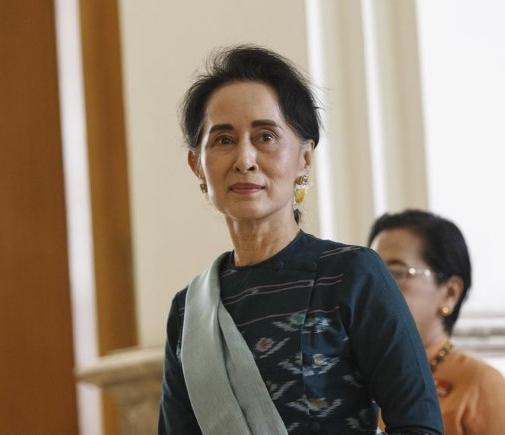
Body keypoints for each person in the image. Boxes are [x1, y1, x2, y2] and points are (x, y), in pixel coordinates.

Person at [158, 44, 443, 434]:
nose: (244, 159)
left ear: (304, 158)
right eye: (223, 140)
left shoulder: (351, 275)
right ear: (198, 165)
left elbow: (418, 424)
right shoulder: (189, 312)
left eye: (266, 136)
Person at [368, 209, 505, 434]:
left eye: (396, 273)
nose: (376, 287)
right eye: (372, 273)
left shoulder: (481, 384)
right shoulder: (354, 372)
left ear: (450, 292)